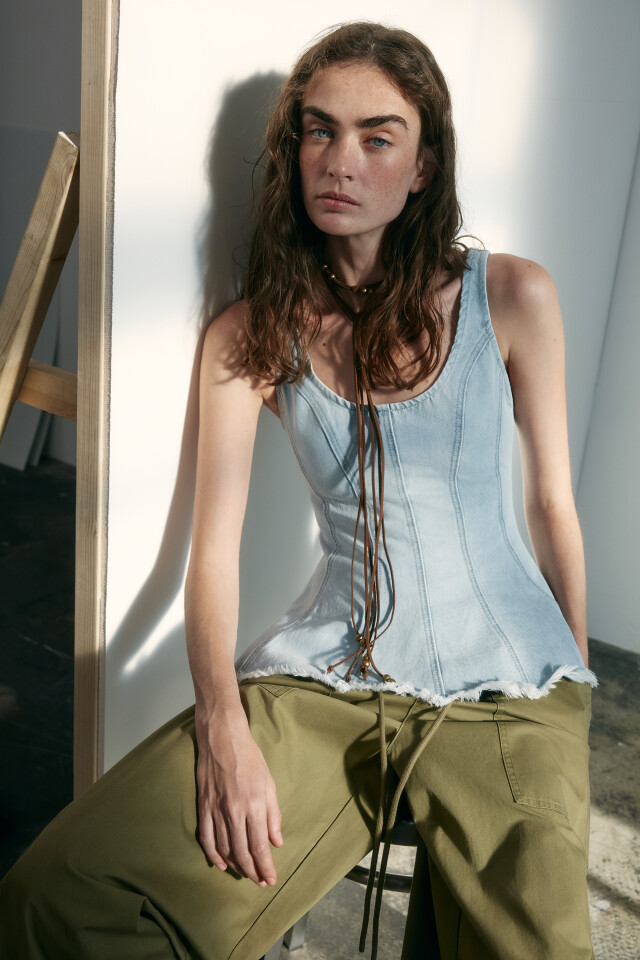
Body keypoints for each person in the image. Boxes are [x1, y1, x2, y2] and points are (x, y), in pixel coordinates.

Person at [0, 20, 598, 960]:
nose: (340, 161)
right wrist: (223, 727)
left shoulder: (512, 297)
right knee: (59, 890)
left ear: (424, 167)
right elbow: (212, 554)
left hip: (508, 680)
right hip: (331, 682)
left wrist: (573, 680)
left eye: (377, 137)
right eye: (320, 130)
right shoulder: (250, 336)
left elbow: (553, 505)